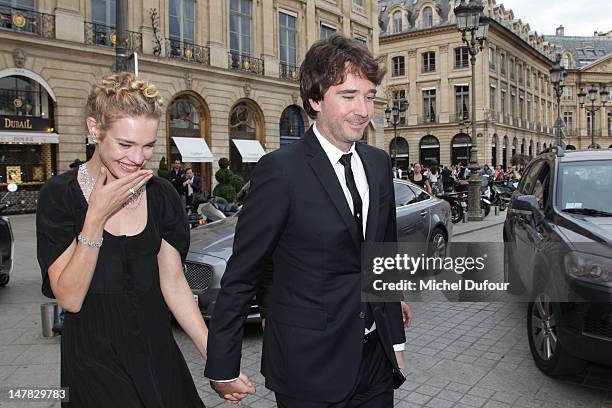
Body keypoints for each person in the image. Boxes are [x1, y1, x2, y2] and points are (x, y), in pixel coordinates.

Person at [205, 34, 407, 407]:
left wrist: (395, 340)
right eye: (348, 96)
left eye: (369, 97)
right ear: (315, 100)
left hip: (375, 362)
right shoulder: (280, 172)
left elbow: (383, 258)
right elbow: (244, 271)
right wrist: (223, 366)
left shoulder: (378, 165)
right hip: (308, 367)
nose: (363, 110)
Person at [36, 72, 252, 407]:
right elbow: (70, 298)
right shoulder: (59, 196)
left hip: (157, 352)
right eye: (125, 144)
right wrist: (95, 218)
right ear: (95, 130)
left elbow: (175, 286)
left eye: (148, 145)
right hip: (94, 362)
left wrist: (218, 363)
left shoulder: (161, 194)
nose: (137, 158)